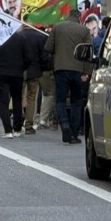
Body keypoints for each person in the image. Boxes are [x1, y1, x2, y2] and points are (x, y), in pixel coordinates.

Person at [45, 9, 92, 144]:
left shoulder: (57, 27)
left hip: (60, 68)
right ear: (79, 17)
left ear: (68, 16)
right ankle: (74, 133)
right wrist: (87, 72)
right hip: (77, 70)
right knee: (76, 102)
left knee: (60, 100)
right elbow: (88, 53)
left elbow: (48, 47)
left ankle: (64, 124)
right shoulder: (84, 31)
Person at [0, 29, 29, 138]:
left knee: (3, 102)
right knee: (17, 100)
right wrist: (21, 68)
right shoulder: (20, 38)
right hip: (17, 73)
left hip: (0, 72)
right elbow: (28, 57)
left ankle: (7, 130)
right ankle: (17, 129)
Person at [21, 24, 47, 134]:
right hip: (34, 71)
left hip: (20, 70)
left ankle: (18, 121)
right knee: (32, 98)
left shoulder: (19, 36)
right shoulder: (40, 37)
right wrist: (42, 68)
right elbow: (44, 56)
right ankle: (28, 124)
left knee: (18, 96)